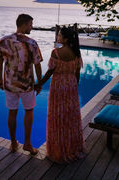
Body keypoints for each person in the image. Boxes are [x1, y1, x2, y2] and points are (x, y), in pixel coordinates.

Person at [35, 26, 86, 163]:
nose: (57, 37)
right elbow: (77, 74)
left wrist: (39, 83)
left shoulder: (55, 53)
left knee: (57, 116)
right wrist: (74, 87)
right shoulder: (76, 53)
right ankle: (72, 147)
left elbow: (50, 72)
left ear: (66, 38)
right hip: (71, 86)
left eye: (59, 35)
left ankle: (59, 150)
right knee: (70, 117)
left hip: (58, 86)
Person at [0, 14, 42, 154]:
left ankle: (13, 143)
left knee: (12, 112)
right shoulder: (32, 43)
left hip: (10, 84)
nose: (32, 27)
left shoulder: (4, 41)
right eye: (30, 24)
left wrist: (0, 79)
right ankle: (27, 144)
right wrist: (39, 82)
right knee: (28, 111)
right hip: (27, 85)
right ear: (23, 24)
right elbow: (37, 65)